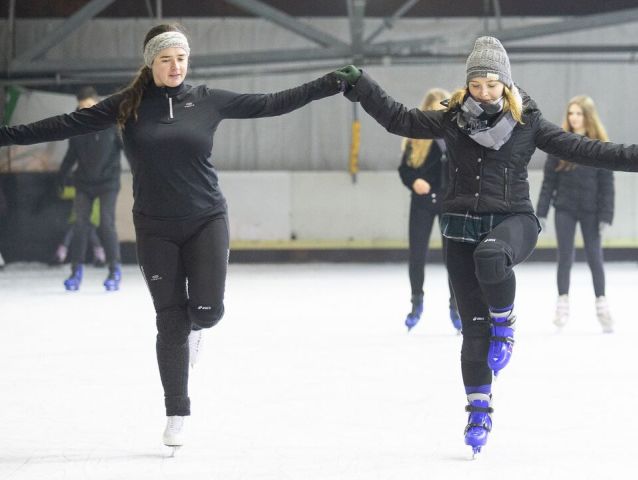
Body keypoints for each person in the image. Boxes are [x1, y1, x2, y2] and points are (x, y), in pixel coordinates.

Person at [0, 23, 344, 449]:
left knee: (207, 311)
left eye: (181, 58)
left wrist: (329, 84)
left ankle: (198, 325)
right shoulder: (127, 105)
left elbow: (271, 103)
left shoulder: (207, 100)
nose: (175, 66)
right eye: (166, 59)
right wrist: (6, 136)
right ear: (151, 63)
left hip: (206, 220)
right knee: (169, 321)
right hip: (154, 226)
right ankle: (176, 411)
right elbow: (65, 124)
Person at [333, 36, 638, 456]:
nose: (484, 93)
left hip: (514, 221)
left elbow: (590, 149)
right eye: (477, 85)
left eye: (492, 84)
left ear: (506, 84)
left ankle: (506, 321)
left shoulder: (529, 123)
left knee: (492, 256)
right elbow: (398, 118)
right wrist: (363, 85)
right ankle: (479, 411)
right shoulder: (451, 120)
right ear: (468, 85)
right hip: (460, 226)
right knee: (472, 330)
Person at [536, 96, 614, 332]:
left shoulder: (600, 144)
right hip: (565, 208)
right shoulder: (559, 143)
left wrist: (605, 214)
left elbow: (607, 183)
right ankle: (562, 303)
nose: (574, 118)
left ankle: (602, 304)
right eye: (571, 113)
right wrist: (541, 212)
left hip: (591, 210)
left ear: (587, 116)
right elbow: (549, 182)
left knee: (594, 257)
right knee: (565, 256)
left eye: (579, 113)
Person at [398, 87, 461, 333]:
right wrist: (415, 181)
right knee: (417, 254)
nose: (438, 115)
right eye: (433, 110)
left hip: (449, 204)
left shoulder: (456, 137)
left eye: (442, 110)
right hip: (423, 202)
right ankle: (417, 302)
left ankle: (456, 306)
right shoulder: (416, 139)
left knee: (454, 258)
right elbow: (404, 170)